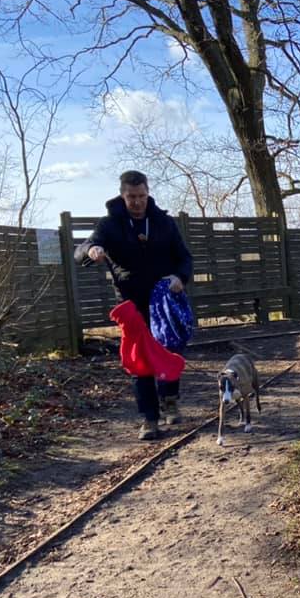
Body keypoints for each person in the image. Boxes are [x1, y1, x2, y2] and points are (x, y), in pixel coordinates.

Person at [75, 170, 193, 440]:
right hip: (131, 304)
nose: (137, 202)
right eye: (131, 197)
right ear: (123, 196)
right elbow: (82, 249)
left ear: (148, 193)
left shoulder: (164, 222)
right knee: (139, 361)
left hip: (164, 301)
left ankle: (170, 399)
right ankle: (149, 419)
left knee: (168, 351)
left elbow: (184, 257)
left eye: (141, 196)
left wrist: (180, 277)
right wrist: (91, 251)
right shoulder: (110, 224)